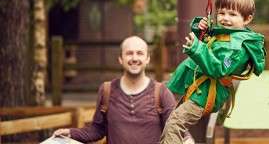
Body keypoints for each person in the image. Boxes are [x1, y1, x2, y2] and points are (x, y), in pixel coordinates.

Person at [160, 0, 266, 143]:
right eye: (221, 13)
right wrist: (200, 29)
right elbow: (209, 47)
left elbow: (218, 68)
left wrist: (196, 48)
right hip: (197, 88)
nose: (225, 18)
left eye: (232, 14)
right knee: (168, 116)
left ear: (247, 19)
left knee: (175, 123)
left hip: (207, 94)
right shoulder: (227, 35)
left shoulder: (238, 48)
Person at [53, 36, 192, 144]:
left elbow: (178, 129)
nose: (134, 58)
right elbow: (97, 130)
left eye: (140, 53)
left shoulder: (161, 92)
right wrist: (70, 133)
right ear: (120, 58)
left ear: (147, 59)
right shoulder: (106, 90)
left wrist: (188, 140)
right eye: (129, 53)